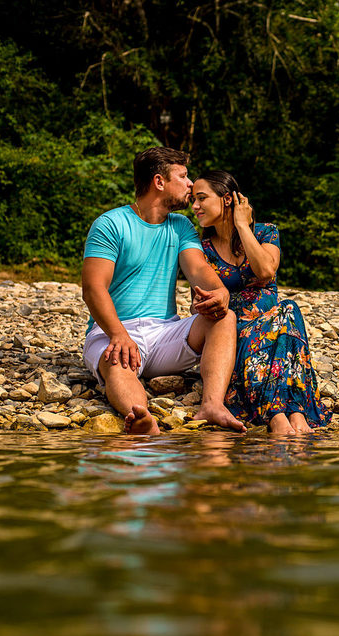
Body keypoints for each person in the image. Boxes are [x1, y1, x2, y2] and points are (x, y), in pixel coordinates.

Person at [81, 147, 245, 435]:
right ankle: (143, 420)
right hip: (112, 330)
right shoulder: (110, 224)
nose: (191, 184)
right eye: (183, 176)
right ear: (159, 181)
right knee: (117, 362)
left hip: (165, 334)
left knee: (225, 317)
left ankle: (212, 405)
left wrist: (220, 292)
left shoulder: (180, 226)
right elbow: (93, 288)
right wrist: (118, 334)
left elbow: (198, 268)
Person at [190, 169, 331, 436]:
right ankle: (281, 416)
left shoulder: (266, 232)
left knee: (287, 311)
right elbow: (195, 305)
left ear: (227, 199)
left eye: (201, 198)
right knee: (285, 317)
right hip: (232, 337)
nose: (195, 206)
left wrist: (242, 227)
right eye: (193, 200)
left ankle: (293, 414)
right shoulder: (202, 248)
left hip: (275, 329)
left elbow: (266, 270)